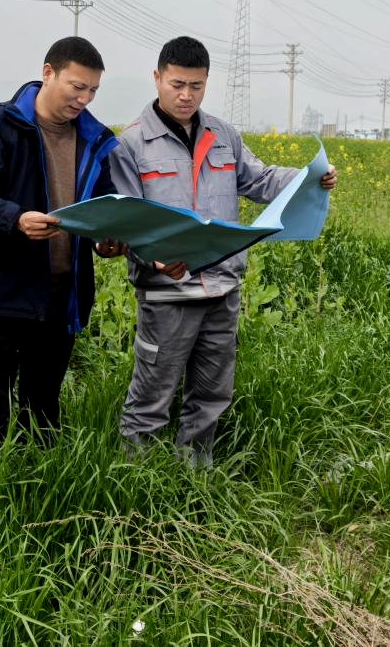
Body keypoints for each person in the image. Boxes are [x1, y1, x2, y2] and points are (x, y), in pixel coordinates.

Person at [109, 36, 337, 467]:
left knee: (212, 394)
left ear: (206, 83)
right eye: (177, 84)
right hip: (167, 292)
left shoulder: (222, 135)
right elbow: (127, 220)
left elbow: (259, 179)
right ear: (157, 78)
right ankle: (137, 481)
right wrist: (153, 258)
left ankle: (197, 476)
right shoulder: (131, 144)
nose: (186, 95)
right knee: (151, 396)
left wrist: (310, 177)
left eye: (196, 86)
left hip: (222, 288)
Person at [0, 36, 123, 441]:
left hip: (60, 297)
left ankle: (42, 478)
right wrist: (15, 219)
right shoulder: (3, 124)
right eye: (77, 87)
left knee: (43, 411)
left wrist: (105, 239)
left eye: (93, 90)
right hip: (2, 293)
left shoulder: (94, 139)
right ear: (48, 73)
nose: (84, 99)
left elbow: (103, 206)